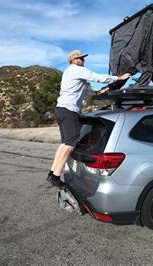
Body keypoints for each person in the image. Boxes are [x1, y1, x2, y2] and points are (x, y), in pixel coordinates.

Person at [47, 50, 131, 188]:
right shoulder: (76, 69)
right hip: (68, 111)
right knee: (69, 144)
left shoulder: (71, 73)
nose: (84, 61)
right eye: (81, 59)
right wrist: (118, 78)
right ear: (75, 60)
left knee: (65, 143)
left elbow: (85, 91)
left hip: (62, 110)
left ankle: (52, 173)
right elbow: (96, 77)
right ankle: (55, 176)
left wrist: (97, 93)